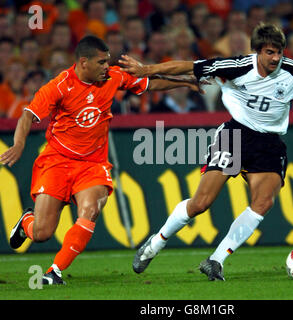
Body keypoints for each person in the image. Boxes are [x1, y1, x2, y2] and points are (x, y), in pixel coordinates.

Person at [119, 23, 293, 281]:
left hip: (270, 143)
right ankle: (155, 243)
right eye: (270, 52)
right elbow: (188, 67)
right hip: (235, 136)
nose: (275, 58)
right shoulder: (234, 66)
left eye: (279, 52)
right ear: (258, 51)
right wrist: (145, 69)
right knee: (201, 203)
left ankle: (216, 260)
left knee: (263, 202)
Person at [0, 35, 201, 285]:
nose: (108, 66)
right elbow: (28, 115)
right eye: (102, 62)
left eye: (108, 61)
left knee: (91, 210)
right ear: (83, 62)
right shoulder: (60, 86)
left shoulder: (112, 78)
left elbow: (150, 83)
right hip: (57, 161)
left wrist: (184, 83)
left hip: (92, 164)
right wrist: (19, 144)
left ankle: (54, 272)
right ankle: (26, 222)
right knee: (41, 233)